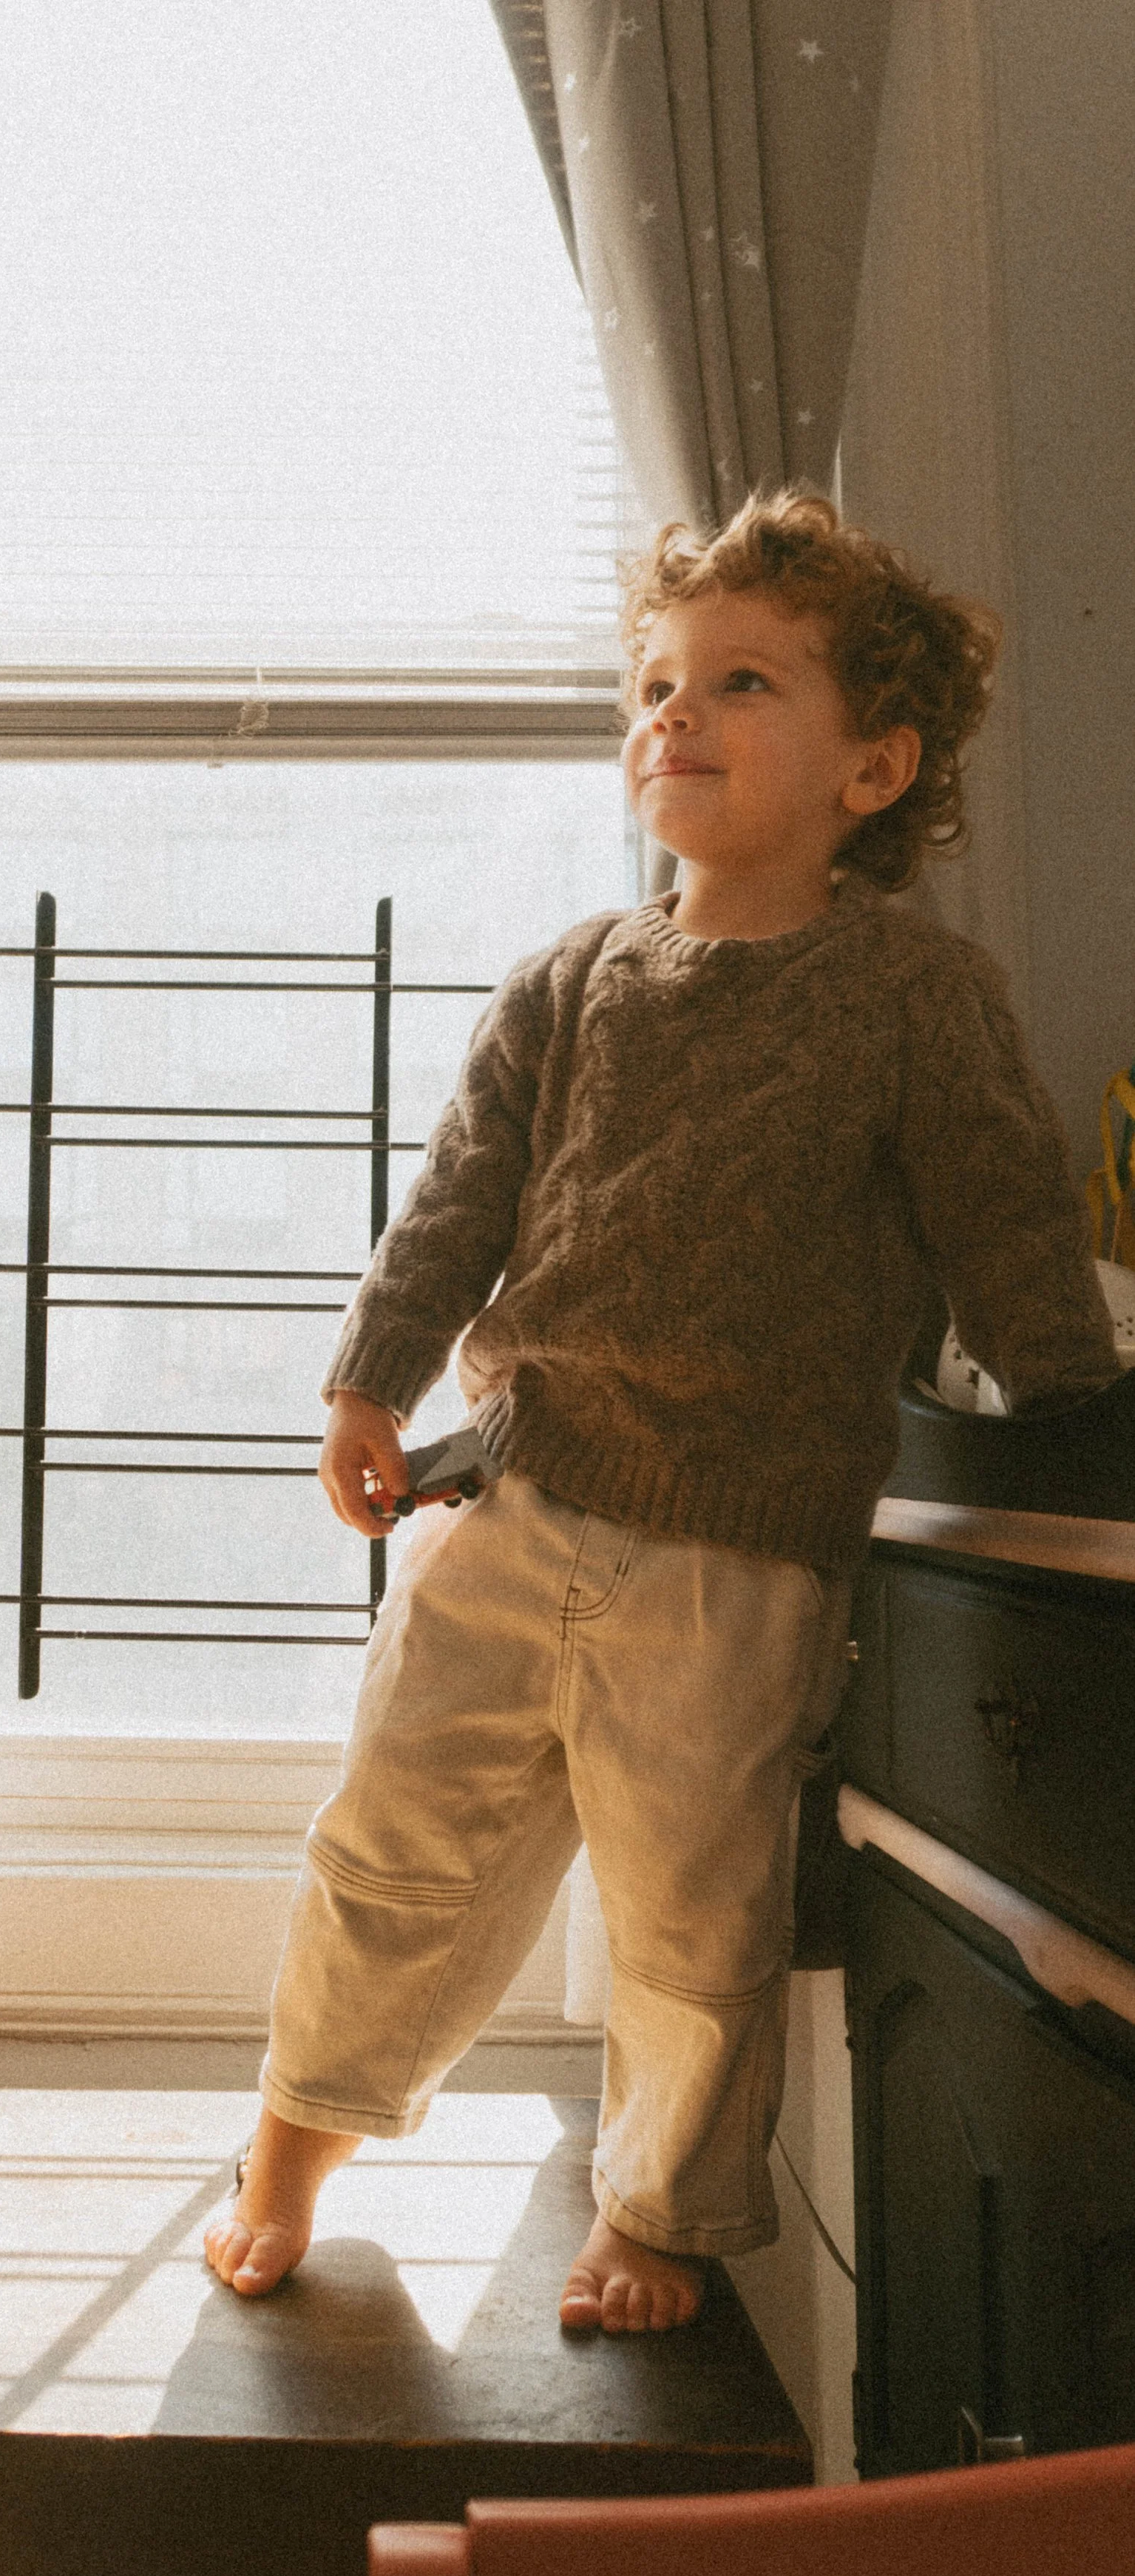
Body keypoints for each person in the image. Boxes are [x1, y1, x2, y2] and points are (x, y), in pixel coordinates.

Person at [203, 490, 1119, 2335]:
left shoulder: (910, 997)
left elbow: (1003, 1214)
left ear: (872, 766)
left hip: (739, 1561)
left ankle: (663, 2215)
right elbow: (461, 1193)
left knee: (692, 1925)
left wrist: (1077, 1404)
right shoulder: (574, 979)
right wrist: (368, 1378)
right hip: (512, 1501)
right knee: (388, 1844)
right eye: (653, 686)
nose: (671, 718)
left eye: (736, 684)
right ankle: (292, 2139)